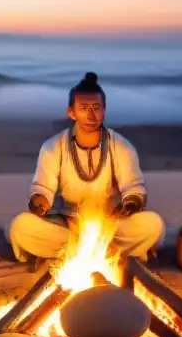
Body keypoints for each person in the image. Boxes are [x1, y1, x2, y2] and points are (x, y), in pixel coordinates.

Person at [9, 72, 166, 267]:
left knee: (153, 224)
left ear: (104, 110)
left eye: (96, 108)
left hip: (109, 226)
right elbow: (43, 187)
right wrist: (39, 200)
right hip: (67, 225)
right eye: (84, 108)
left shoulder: (121, 146)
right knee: (21, 226)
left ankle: (73, 254)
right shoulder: (53, 146)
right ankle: (106, 254)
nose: (91, 116)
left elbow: (133, 187)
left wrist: (131, 202)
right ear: (71, 112)